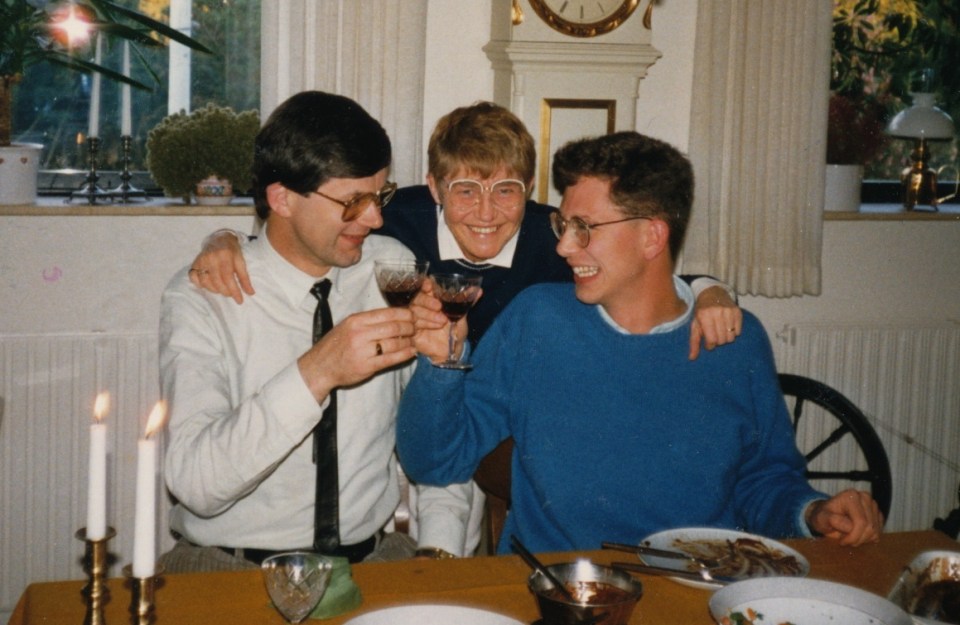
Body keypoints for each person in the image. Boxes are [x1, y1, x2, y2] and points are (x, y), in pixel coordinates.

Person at [187, 102, 743, 555]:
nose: (485, 212)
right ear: (433, 189)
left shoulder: (552, 239)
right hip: (445, 401)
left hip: (514, 421)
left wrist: (709, 287)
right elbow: (301, 222)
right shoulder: (390, 224)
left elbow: (641, 263)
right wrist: (228, 238)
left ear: (527, 193)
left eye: (506, 190)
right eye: (464, 191)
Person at [396, 131, 884, 554]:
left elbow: (763, 482)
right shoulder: (536, 319)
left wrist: (816, 512)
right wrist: (441, 363)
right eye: (562, 225)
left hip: (691, 590)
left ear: (652, 237)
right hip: (560, 594)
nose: (564, 245)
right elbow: (435, 461)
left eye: (583, 228)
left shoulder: (734, 339)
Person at [158, 91, 478, 572]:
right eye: (353, 202)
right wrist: (317, 371)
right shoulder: (204, 295)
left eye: (380, 195)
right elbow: (197, 485)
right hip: (230, 566)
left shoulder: (392, 269)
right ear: (281, 198)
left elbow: (436, 434)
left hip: (373, 562)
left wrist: (438, 552)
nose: (374, 218)